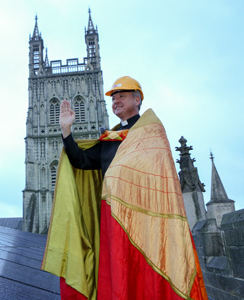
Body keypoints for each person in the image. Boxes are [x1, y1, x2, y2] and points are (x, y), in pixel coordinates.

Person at [42, 76, 208, 300]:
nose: (116, 101)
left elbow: (159, 177)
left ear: (137, 99)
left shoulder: (151, 133)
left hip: (146, 221)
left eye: (122, 96)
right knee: (119, 271)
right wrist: (66, 131)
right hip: (113, 218)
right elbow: (80, 161)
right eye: (113, 98)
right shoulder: (109, 139)